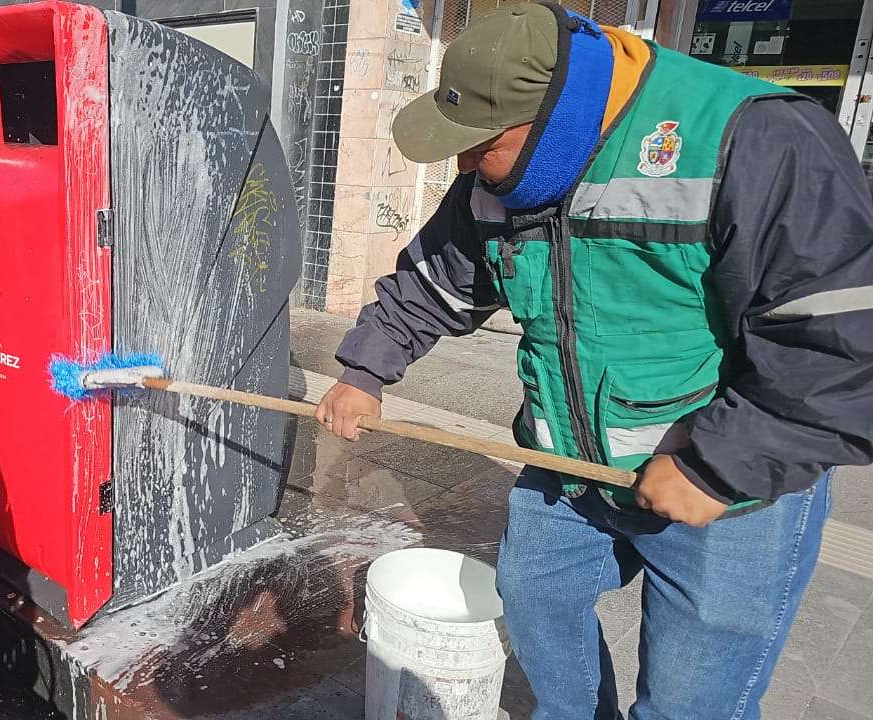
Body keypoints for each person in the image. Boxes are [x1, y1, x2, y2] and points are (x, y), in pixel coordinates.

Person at [315, 3, 873, 719]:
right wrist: (364, 372)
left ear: (552, 121)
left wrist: (721, 462)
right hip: (571, 471)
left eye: (479, 145)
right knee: (535, 598)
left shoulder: (756, 138)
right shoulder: (502, 178)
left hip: (733, 493)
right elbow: (437, 280)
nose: (462, 167)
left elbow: (842, 341)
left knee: (689, 701)